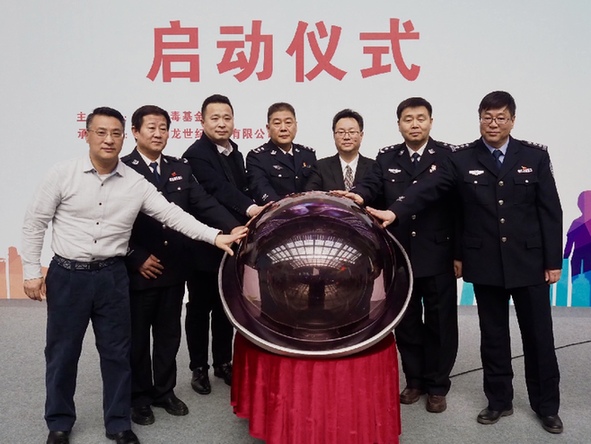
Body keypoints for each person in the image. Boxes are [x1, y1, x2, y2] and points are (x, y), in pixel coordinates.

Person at [21, 107, 246, 444]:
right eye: (101, 132)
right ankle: (59, 422)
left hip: (112, 277)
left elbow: (173, 214)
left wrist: (215, 236)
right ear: (87, 135)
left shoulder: (135, 182)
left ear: (124, 136)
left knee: (117, 353)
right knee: (62, 353)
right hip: (68, 275)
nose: (109, 140)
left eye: (115, 133)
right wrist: (30, 271)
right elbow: (35, 222)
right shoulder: (62, 174)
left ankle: (118, 423)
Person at [358, 91, 564, 434]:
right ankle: (499, 401)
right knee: (493, 338)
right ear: (479, 119)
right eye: (487, 117)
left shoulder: (534, 156)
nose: (494, 123)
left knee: (539, 337)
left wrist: (553, 261)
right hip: (485, 263)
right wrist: (396, 211)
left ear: (513, 120)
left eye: (501, 117)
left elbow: (550, 210)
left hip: (529, 262)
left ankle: (547, 407)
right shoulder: (461, 158)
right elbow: (428, 187)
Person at [121, 105, 243, 427]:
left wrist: (232, 228)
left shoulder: (180, 168)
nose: (158, 133)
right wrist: (135, 257)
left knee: (168, 335)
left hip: (174, 267)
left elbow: (204, 202)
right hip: (140, 269)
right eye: (151, 127)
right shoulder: (123, 170)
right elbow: (111, 222)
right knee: (137, 338)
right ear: (135, 132)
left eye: (163, 128)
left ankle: (165, 391)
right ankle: (139, 397)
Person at [345, 98, 460, 413]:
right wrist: (358, 195)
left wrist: (459, 253)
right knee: (406, 321)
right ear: (399, 124)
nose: (415, 124)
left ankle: (437, 385)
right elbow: (371, 184)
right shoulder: (387, 157)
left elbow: (446, 200)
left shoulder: (447, 156)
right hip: (399, 255)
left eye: (421, 118)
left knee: (440, 323)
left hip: (437, 253)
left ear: (431, 121)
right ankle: (415, 380)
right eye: (408, 119)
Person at [183, 94, 265, 395]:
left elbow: (239, 188)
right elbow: (216, 191)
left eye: (226, 118)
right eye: (215, 118)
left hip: (234, 243)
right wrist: (248, 212)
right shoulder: (196, 154)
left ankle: (222, 362)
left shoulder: (235, 152)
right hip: (205, 243)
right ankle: (199, 367)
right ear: (202, 121)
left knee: (225, 306)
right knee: (199, 307)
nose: (221, 123)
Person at [246, 102, 316, 204]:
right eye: (277, 123)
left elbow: (314, 189)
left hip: (307, 211)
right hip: (275, 212)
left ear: (296, 126)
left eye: (288, 122)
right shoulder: (257, 157)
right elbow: (261, 189)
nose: (283, 128)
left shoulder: (308, 154)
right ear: (268, 128)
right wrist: (285, 209)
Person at [305, 108, 375, 192]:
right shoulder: (321, 167)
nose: (346, 137)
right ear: (334, 135)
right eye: (341, 132)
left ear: (361, 135)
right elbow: (311, 195)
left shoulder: (373, 167)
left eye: (352, 132)